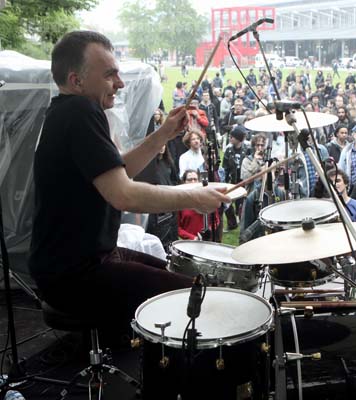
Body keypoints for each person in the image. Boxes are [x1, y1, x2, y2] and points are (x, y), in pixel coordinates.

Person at [28, 31, 229, 331]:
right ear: (76, 81)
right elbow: (124, 195)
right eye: (110, 75)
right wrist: (194, 196)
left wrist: (164, 134)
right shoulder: (80, 112)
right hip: (75, 276)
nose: (120, 84)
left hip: (82, 261)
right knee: (196, 298)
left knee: (182, 275)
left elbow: (119, 171)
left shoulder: (67, 111)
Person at [178, 170, 221, 242]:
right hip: (189, 244)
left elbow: (216, 220)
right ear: (184, 182)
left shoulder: (208, 199)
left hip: (207, 241)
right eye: (189, 180)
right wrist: (193, 237)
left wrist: (208, 231)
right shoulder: (180, 203)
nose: (193, 182)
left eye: (195, 179)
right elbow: (177, 228)